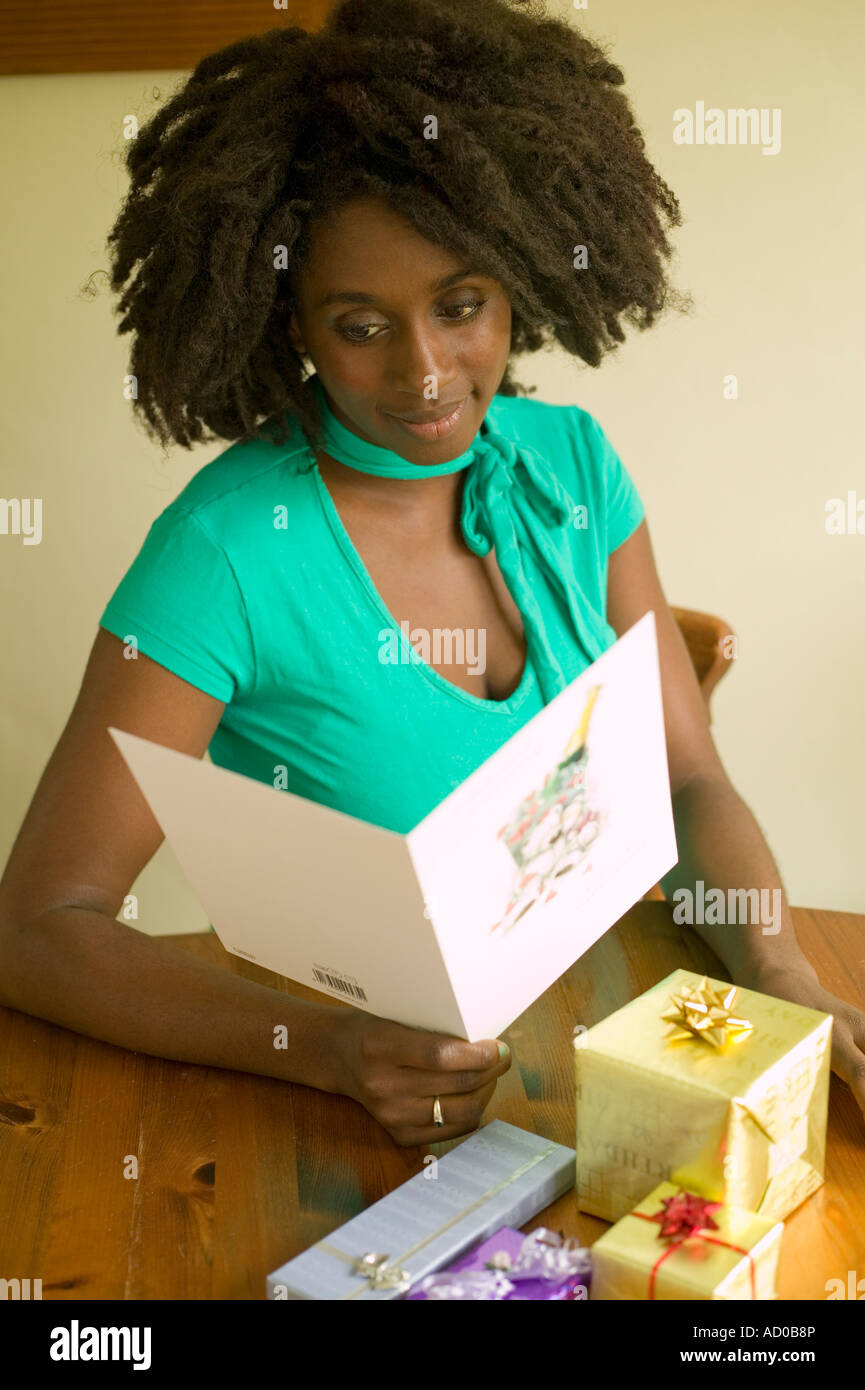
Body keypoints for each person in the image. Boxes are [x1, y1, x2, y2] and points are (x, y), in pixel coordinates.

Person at [1, 0, 862, 1148]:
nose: (425, 374)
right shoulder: (226, 555)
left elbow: (686, 776)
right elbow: (41, 923)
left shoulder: (572, 468)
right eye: (360, 326)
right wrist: (326, 1052)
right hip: (375, 1098)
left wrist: (776, 970)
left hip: (627, 1032)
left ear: (515, 277)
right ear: (287, 320)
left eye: (460, 307)